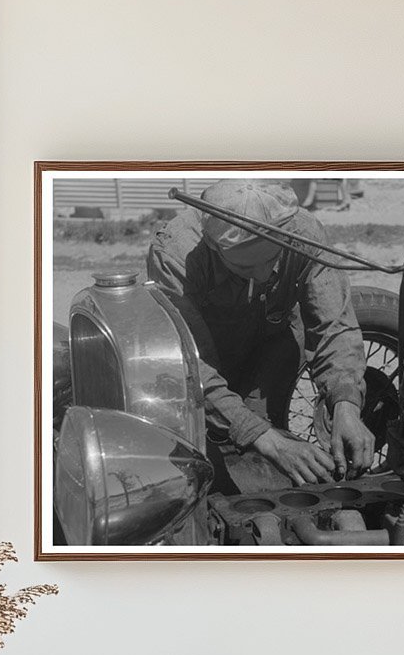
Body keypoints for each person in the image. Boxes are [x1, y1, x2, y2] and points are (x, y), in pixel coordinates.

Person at [146, 180, 374, 486]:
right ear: (215, 246)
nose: (264, 275)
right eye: (246, 268)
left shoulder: (304, 233)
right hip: (209, 360)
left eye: (272, 260)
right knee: (203, 467)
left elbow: (336, 324)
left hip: (273, 348)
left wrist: (346, 402)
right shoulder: (175, 254)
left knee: (262, 469)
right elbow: (188, 364)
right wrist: (267, 440)